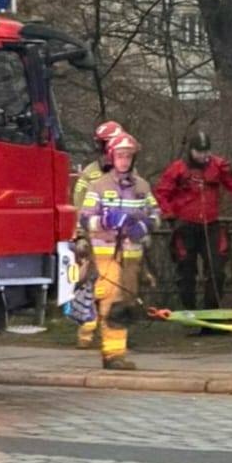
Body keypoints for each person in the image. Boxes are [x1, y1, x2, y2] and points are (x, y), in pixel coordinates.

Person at [77, 131, 160, 371]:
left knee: (126, 302)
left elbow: (156, 214)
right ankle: (113, 355)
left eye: (128, 156)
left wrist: (144, 225)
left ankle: (114, 351)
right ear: (112, 157)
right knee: (111, 302)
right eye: (120, 155)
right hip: (107, 254)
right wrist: (107, 221)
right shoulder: (98, 186)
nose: (124, 160)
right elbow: (85, 219)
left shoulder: (142, 186)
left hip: (132, 255)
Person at [155, 128, 232, 318]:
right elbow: (162, 193)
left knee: (216, 270)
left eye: (207, 152)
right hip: (184, 226)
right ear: (191, 151)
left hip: (211, 225)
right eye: (200, 152)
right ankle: (189, 314)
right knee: (186, 272)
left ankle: (210, 313)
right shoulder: (177, 169)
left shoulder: (219, 166)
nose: (204, 156)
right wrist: (169, 214)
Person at [72, 120, 122, 350]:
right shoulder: (90, 175)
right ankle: (87, 331)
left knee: (116, 289)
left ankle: (109, 334)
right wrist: (80, 237)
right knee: (91, 287)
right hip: (94, 240)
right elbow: (78, 206)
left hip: (120, 241)